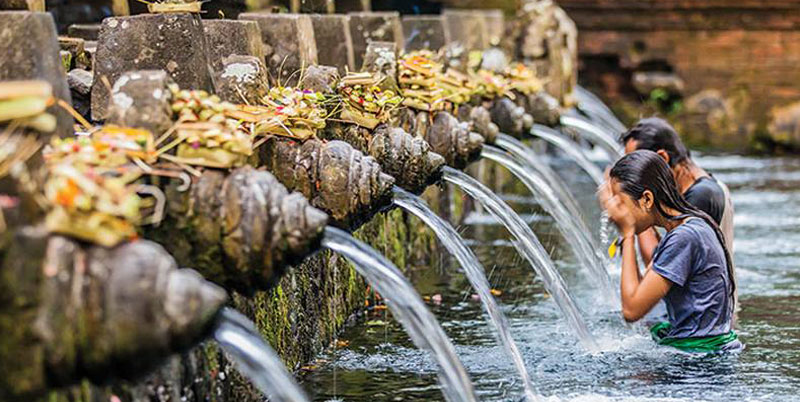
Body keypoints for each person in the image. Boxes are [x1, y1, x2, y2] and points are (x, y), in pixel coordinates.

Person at [599, 150, 740, 353]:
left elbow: (631, 310)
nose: (614, 211)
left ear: (647, 199)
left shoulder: (684, 238)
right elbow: (641, 290)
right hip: (702, 353)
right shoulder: (689, 225)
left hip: (700, 366)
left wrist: (628, 234)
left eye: (620, 202)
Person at [620, 117, 737, 315]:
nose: (631, 175)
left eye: (637, 166)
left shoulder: (700, 198)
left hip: (705, 324)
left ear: (662, 159)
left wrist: (634, 216)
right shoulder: (700, 187)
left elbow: (657, 264)